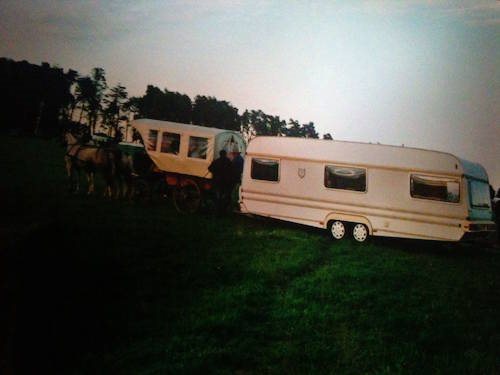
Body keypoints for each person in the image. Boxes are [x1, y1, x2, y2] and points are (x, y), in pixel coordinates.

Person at [208, 150, 234, 215]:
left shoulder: (216, 161)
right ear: (225, 154)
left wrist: (215, 172)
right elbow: (232, 170)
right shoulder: (228, 161)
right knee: (224, 196)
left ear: (220, 154)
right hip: (226, 182)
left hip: (217, 181)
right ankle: (223, 211)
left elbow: (209, 168)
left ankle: (217, 211)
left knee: (217, 197)